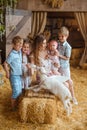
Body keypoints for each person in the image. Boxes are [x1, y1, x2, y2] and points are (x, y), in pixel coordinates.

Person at [57, 26, 78, 105]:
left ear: (66, 36)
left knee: (69, 82)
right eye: (59, 36)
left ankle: (73, 97)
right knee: (60, 82)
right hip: (58, 67)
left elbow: (67, 58)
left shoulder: (68, 46)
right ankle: (63, 96)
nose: (60, 37)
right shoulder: (57, 43)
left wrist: (58, 55)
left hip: (64, 67)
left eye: (62, 36)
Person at [4, 36, 23, 110]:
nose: (20, 47)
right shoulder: (12, 54)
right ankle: (13, 108)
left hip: (19, 75)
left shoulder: (19, 52)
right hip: (14, 75)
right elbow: (5, 63)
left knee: (20, 91)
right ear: (13, 45)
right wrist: (7, 72)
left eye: (21, 45)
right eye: (18, 45)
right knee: (16, 91)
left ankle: (17, 105)